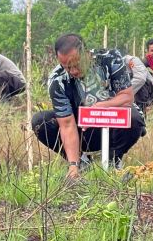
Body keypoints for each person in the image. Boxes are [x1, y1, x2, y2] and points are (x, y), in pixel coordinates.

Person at [31, 34, 145, 174]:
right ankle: (82, 162)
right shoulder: (57, 80)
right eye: (67, 67)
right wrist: (73, 164)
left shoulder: (110, 59)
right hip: (82, 129)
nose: (73, 71)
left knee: (133, 117)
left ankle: (113, 159)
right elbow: (67, 124)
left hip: (113, 123)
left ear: (86, 53)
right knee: (40, 121)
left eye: (76, 65)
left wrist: (98, 108)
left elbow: (127, 97)